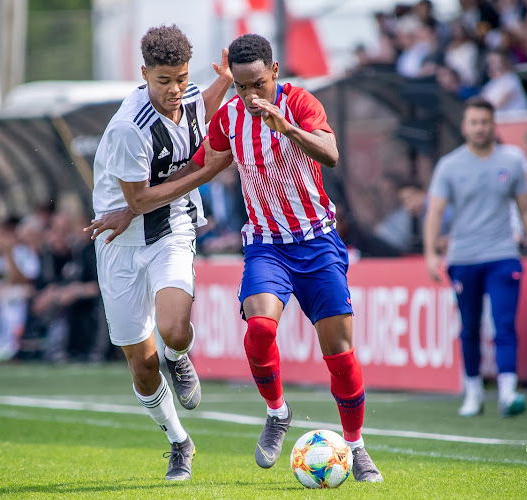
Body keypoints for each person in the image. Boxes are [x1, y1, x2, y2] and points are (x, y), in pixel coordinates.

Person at [191, 33, 383, 482]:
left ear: (274, 72)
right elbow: (200, 163)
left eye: (257, 83)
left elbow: (332, 154)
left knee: (339, 353)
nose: (250, 95)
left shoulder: (300, 103)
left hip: (317, 241)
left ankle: (355, 447)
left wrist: (287, 128)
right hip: (266, 244)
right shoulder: (230, 117)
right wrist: (138, 196)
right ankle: (277, 412)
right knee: (258, 330)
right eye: (241, 86)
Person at [84, 25, 233, 481]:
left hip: (172, 228)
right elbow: (140, 201)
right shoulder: (129, 128)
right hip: (120, 246)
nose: (175, 90)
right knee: (141, 366)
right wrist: (206, 173)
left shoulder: (184, 95)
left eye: (182, 78)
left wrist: (224, 80)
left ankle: (178, 357)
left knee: (174, 330)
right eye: (164, 80)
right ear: (144, 73)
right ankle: (178, 442)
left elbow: (198, 110)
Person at [424, 97, 527, 418]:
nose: (480, 128)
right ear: (465, 127)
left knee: (504, 323)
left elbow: (526, 210)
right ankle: (474, 391)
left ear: (494, 126)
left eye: (485, 122)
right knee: (469, 327)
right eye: (474, 122)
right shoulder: (450, 165)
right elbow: (435, 212)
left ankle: (508, 392)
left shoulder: (513, 160)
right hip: (463, 258)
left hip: (503, 254)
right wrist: (429, 254)